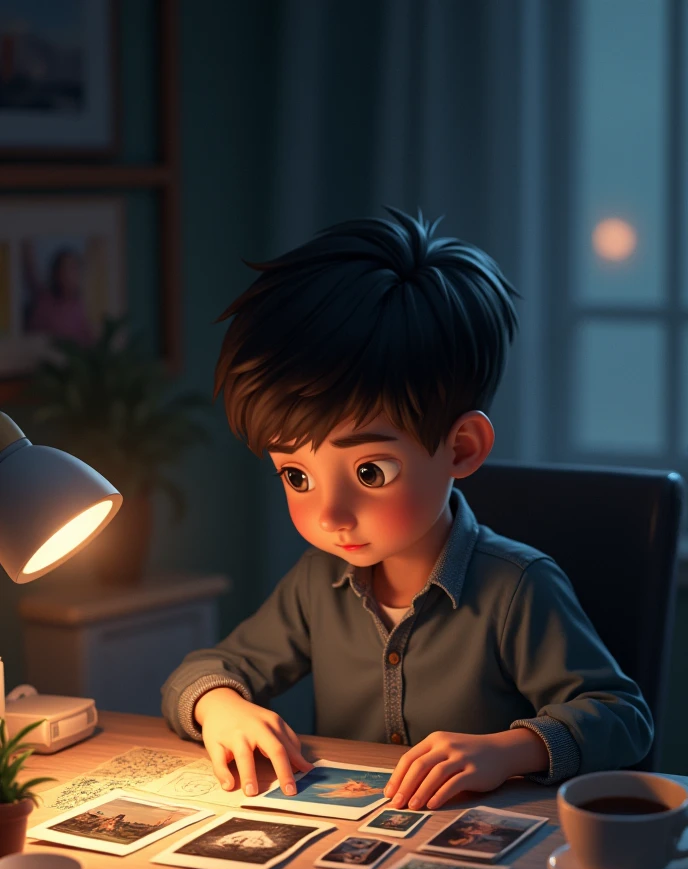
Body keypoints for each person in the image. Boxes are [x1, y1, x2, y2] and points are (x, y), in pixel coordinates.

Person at [161, 208, 653, 811]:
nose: (332, 513)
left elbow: (624, 718)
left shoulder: (517, 589)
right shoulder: (319, 584)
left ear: (462, 448)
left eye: (371, 472)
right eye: (296, 475)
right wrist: (222, 706)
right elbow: (203, 670)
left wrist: (509, 749)